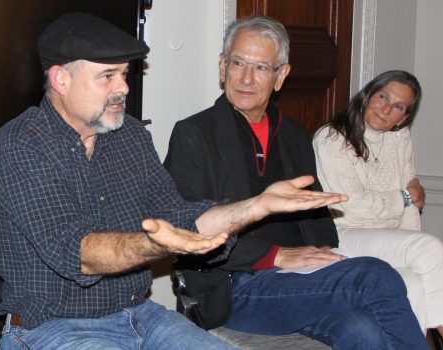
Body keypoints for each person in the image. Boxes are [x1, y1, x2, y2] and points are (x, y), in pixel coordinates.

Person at [0, 12, 348, 350]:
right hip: (51, 328)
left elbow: (181, 215)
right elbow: (77, 254)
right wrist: (159, 244)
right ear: (61, 79)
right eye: (107, 76)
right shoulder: (21, 146)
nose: (124, 88)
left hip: (139, 316)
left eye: (125, 75)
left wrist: (257, 206)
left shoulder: (129, 135)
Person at [164, 16, 428, 349]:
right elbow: (185, 226)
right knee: (375, 275)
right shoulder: (195, 134)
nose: (246, 78)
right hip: (234, 286)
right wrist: (274, 255)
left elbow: (317, 219)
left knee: (362, 331)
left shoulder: (293, 136)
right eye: (238, 63)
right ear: (223, 66)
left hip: (298, 282)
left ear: (281, 76)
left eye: (261, 67)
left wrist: (322, 256)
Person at [313, 70, 443, 350]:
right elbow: (350, 205)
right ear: (367, 95)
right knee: (429, 249)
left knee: (412, 281)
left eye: (398, 106)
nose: (387, 109)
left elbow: (411, 207)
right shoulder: (331, 138)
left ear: (404, 117)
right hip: (343, 233)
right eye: (383, 97)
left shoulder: (399, 139)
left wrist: (409, 246)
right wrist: (402, 196)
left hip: (387, 238)